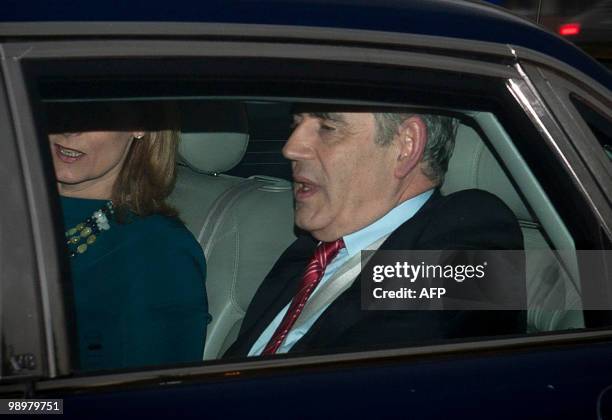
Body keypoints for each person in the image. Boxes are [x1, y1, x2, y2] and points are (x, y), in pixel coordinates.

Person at [224, 110, 526, 358]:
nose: (291, 147)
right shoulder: (310, 252)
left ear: (406, 146)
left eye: (327, 126)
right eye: (296, 124)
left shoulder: (472, 230)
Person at [48, 102, 209, 371]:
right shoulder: (18, 210)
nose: (70, 128)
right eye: (59, 104)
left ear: (140, 126)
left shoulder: (161, 251)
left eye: (93, 111)